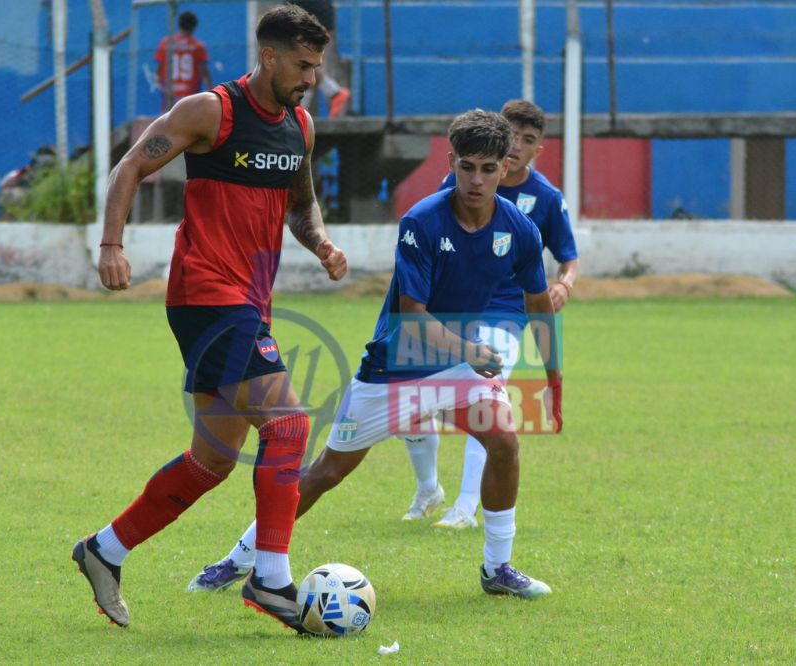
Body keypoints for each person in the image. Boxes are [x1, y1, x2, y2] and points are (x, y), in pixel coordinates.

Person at [189, 109, 560, 600]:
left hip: (455, 368)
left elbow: (539, 306)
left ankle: (498, 569)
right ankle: (237, 558)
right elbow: (413, 317)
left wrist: (552, 379)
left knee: (505, 443)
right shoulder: (422, 222)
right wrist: (472, 350)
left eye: (488, 169)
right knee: (326, 473)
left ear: (505, 168)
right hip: (392, 371)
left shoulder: (520, 229)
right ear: (449, 161)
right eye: (466, 166)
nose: (476, 179)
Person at [72, 5, 348, 632]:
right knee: (289, 426)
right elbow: (131, 165)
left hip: (250, 301)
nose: (309, 78)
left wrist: (322, 245)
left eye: (317, 67)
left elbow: (301, 208)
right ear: (269, 57)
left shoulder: (300, 126)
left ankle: (103, 551)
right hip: (205, 293)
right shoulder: (211, 111)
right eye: (301, 66)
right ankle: (272, 578)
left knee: (214, 459)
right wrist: (111, 244)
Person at [402, 98, 580, 528]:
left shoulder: (545, 200)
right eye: (512, 135)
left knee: (488, 401)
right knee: (410, 404)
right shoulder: (459, 181)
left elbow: (568, 256)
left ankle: (465, 507)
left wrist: (563, 284)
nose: (517, 145)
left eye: (528, 140)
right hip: (454, 308)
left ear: (538, 149)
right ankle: (429, 489)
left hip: (506, 308)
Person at [287, 0, 351, 117]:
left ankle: (334, 93)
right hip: (314, 21)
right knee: (306, 68)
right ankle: (333, 93)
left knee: (306, 66)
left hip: (314, 22)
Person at [155, 11, 213, 111]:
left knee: (168, 122)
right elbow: (204, 72)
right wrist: (211, 91)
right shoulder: (197, 46)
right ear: (194, 26)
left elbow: (159, 70)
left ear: (179, 25)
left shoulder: (166, 43)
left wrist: (163, 87)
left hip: (171, 92)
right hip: (190, 94)